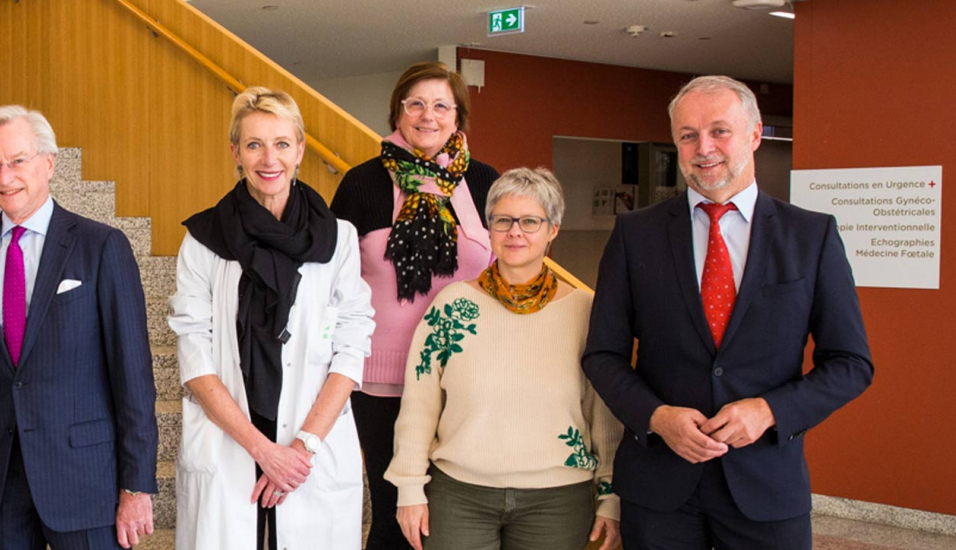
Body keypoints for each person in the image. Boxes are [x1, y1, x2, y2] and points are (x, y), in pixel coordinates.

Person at [583, 75, 874, 549]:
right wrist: (656, 417)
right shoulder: (636, 235)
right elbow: (603, 355)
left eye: (720, 131)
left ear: (755, 134)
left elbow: (851, 363)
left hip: (767, 487)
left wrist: (768, 411)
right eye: (688, 135)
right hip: (660, 488)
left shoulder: (811, 236)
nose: (704, 148)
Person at [0, 105, 159, 550]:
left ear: (49, 163)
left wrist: (136, 487)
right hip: (0, 478)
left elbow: (133, 374)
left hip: (84, 478)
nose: (6, 177)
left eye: (18, 161)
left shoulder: (101, 246)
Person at [170, 87, 376, 550]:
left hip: (312, 440)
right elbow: (195, 356)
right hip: (233, 437)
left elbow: (352, 340)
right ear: (235, 152)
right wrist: (263, 450)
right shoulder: (204, 240)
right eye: (254, 144)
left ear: (300, 149)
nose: (269, 158)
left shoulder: (338, 238)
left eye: (282, 143)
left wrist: (301, 450)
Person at [383, 168, 621, 550]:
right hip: (460, 496)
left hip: (557, 500)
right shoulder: (452, 306)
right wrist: (409, 487)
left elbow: (603, 412)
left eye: (530, 221)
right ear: (489, 228)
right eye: (503, 220)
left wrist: (611, 494)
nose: (515, 232)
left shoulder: (586, 311)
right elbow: (420, 403)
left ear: (553, 230)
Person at [327, 60, 500, 550]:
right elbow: (331, 281)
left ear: (457, 116)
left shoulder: (486, 182)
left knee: (458, 513)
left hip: (467, 375)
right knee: (393, 516)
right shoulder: (362, 184)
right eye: (416, 104)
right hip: (383, 380)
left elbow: (510, 266)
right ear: (397, 113)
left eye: (441, 105)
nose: (429, 115)